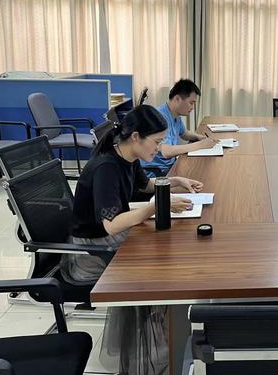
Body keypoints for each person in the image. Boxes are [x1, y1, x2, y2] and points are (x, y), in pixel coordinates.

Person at [63, 104, 203, 375]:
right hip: (91, 251)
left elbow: (145, 186)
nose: (159, 149)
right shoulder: (106, 167)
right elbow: (112, 224)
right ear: (136, 136)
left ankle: (165, 339)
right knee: (160, 269)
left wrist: (177, 181)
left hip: (107, 240)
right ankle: (153, 351)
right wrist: (155, 207)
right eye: (157, 142)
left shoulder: (128, 157)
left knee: (170, 249)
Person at [141, 79, 217, 178]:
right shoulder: (160, 117)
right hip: (155, 172)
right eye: (191, 103)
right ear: (177, 99)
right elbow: (166, 151)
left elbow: (184, 133)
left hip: (167, 166)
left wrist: (200, 137)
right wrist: (200, 145)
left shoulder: (174, 114)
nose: (192, 107)